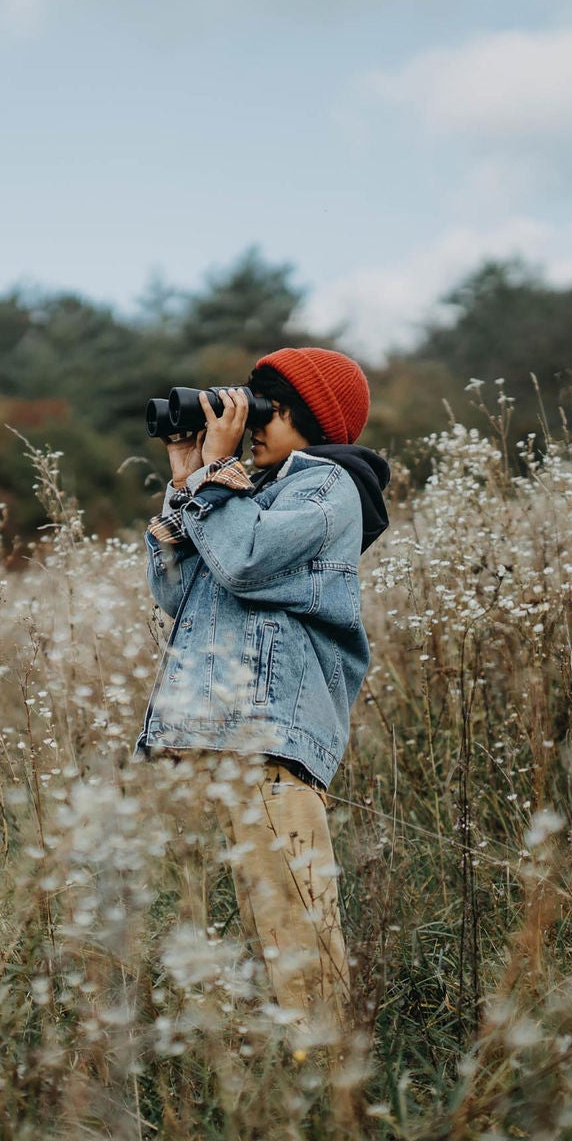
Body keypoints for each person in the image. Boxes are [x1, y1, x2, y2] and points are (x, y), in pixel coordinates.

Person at [134, 346, 390, 1034]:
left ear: (313, 416)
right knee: (272, 925)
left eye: (267, 405)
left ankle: (330, 1077)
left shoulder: (328, 485)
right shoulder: (248, 491)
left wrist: (218, 474)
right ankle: (307, 1077)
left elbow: (244, 563)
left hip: (271, 737)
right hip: (237, 742)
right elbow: (177, 588)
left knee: (296, 926)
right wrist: (188, 478)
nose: (251, 420)